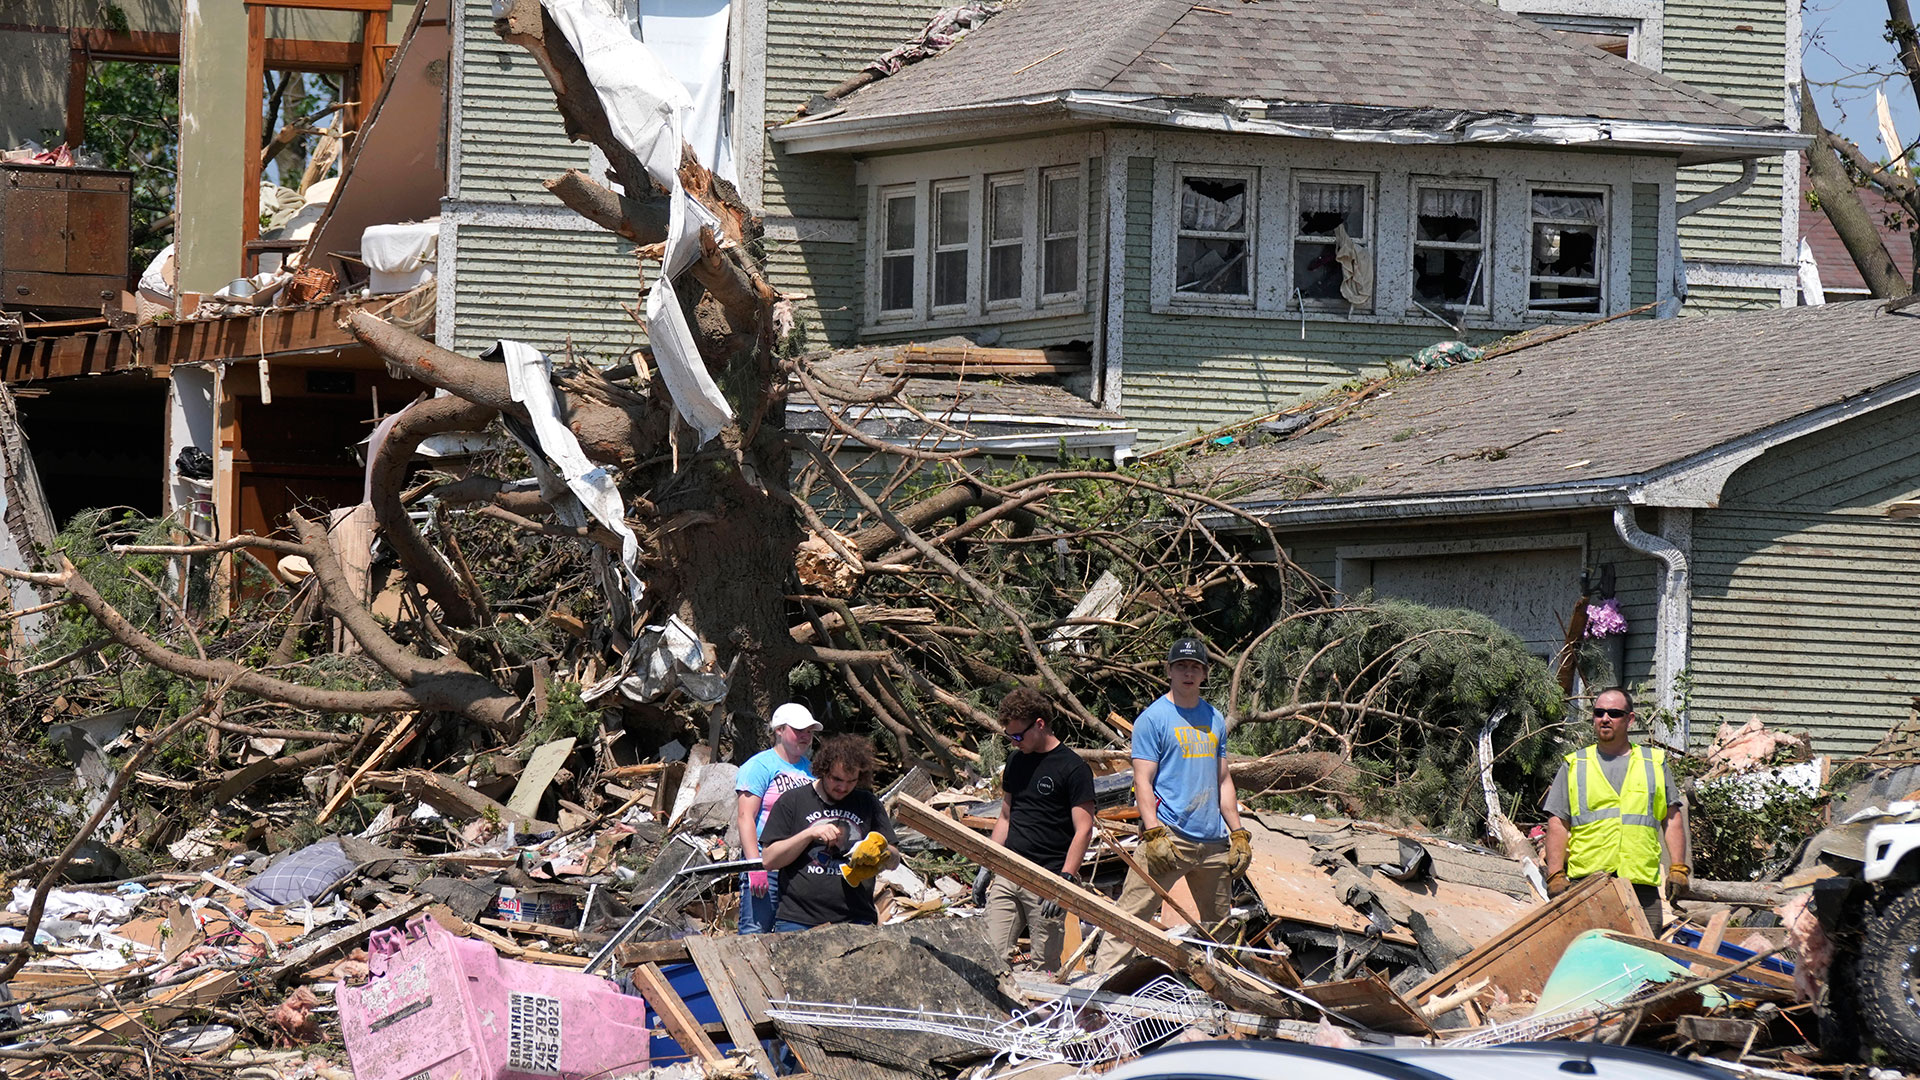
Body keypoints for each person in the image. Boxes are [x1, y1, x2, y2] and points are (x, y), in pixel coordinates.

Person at [1094, 637, 1252, 970]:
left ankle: (1227, 993)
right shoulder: (1153, 719)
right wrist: (1152, 833)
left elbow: (1222, 779)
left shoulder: (1214, 719)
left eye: (1195, 667)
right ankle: (1097, 995)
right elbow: (1142, 780)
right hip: (1170, 836)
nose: (1188, 673)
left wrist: (1237, 833)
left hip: (1212, 842)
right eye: (1181, 666)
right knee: (1130, 918)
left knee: (1220, 929)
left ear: (1205, 674)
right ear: (1168, 670)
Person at [1542, 687, 1688, 932]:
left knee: (1642, 959)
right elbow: (1558, 822)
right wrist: (1556, 874)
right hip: (1587, 883)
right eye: (1599, 713)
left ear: (1629, 719)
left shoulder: (1654, 763)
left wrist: (1678, 867)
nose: (1605, 718)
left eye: (1613, 713)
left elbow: (1671, 819)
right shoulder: (1575, 764)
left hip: (1640, 887)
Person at [982, 688, 1096, 971]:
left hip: (1048, 878)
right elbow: (1006, 816)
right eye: (1009, 736)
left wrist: (1064, 882)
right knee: (991, 955)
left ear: (1040, 724)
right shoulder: (1016, 761)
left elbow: (1083, 830)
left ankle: (1045, 1015)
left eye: (1018, 735)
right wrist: (988, 863)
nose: (1013, 741)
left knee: (1044, 966)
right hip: (1010, 872)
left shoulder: (1073, 768)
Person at [758, 734, 900, 931]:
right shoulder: (793, 801)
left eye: (851, 781)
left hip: (856, 919)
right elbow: (769, 860)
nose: (843, 787)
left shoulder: (868, 803)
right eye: (836, 779)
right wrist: (809, 834)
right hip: (798, 920)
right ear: (823, 770)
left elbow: (895, 860)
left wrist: (882, 852)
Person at [734, 703, 821, 934]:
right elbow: (745, 817)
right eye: (799, 730)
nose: (805, 736)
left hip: (801, 868)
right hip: (766, 862)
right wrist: (754, 866)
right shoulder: (759, 766)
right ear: (779, 730)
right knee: (755, 934)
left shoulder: (811, 771)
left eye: (810, 732)